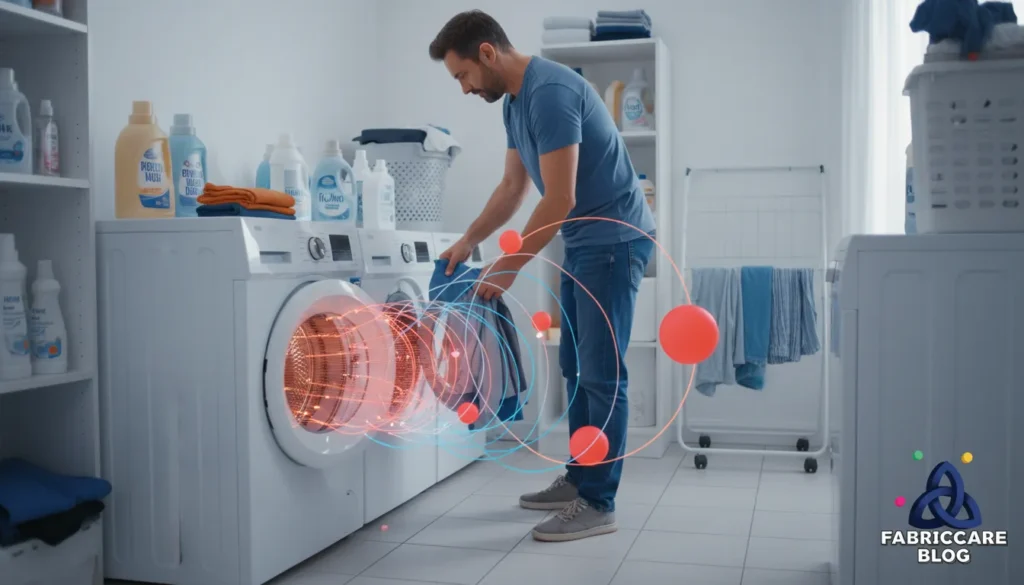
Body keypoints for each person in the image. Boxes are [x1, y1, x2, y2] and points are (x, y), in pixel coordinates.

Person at [429, 10, 655, 542]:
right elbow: (514, 187)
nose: (462, 89)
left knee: (603, 376)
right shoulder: (514, 103)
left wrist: (506, 268)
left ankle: (599, 503)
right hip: (583, 242)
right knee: (577, 367)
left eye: (462, 75)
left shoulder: (550, 92)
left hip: (615, 241)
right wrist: (468, 238)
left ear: (487, 53)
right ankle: (581, 479)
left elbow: (561, 196)